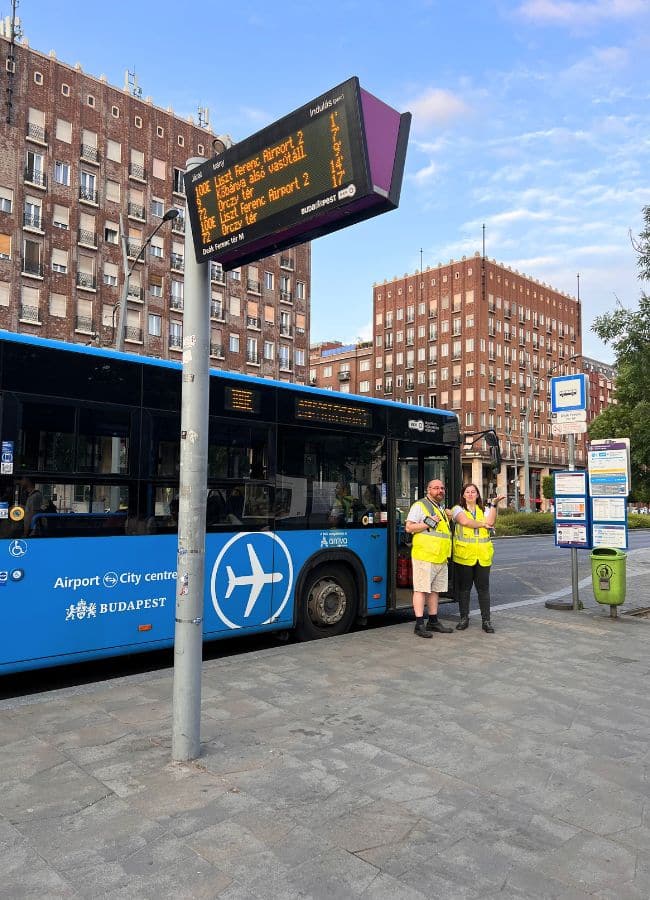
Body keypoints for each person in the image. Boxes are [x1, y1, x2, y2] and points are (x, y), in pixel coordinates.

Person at [450, 484, 505, 633]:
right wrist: (483, 524)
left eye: (473, 492)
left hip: (483, 556)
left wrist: (494, 505)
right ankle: (464, 618)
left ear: (477, 494)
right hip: (464, 556)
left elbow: (491, 522)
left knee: (483, 590)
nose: (470, 494)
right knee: (464, 590)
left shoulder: (484, 509)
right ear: (463, 495)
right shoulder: (457, 509)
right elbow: (465, 522)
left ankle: (486, 621)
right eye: (467, 492)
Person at [405, 479, 454, 638]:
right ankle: (419, 624)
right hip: (424, 556)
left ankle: (433, 621)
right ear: (428, 490)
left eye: (442, 488)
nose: (440, 491)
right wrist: (429, 523)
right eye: (436, 488)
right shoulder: (420, 505)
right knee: (420, 589)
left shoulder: (440, 508)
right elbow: (409, 527)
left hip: (440, 557)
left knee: (434, 590)